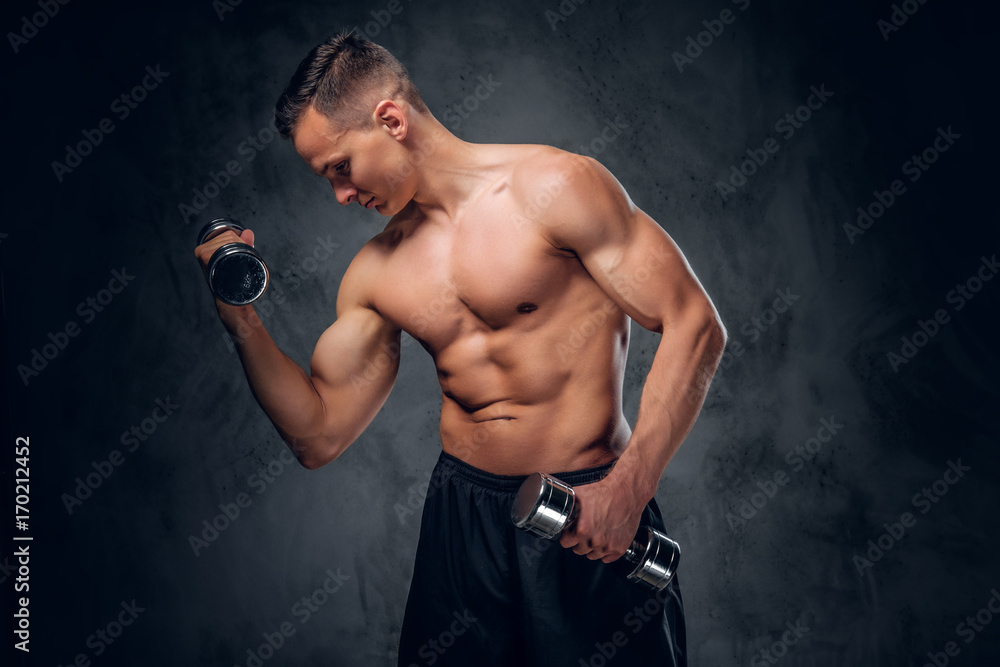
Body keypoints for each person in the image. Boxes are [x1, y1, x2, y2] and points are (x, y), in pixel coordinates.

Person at [195, 31, 726, 667]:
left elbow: (693, 322)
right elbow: (318, 434)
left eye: (340, 167)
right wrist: (239, 316)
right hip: (462, 520)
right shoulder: (376, 271)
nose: (339, 194)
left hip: (588, 510)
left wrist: (631, 487)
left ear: (389, 120)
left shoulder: (554, 187)